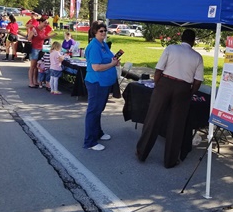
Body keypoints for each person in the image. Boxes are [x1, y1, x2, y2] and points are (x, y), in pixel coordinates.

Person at [136, 29, 204, 168]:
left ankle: (142, 152)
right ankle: (170, 160)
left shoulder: (171, 48)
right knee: (176, 125)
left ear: (182, 38)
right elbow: (197, 81)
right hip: (184, 88)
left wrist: (158, 84)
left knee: (153, 118)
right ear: (193, 41)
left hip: (165, 83)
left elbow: (158, 70)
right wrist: (189, 92)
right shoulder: (197, 57)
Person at [83, 22, 120, 151]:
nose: (104, 33)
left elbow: (108, 59)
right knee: (93, 111)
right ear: (94, 32)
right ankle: (90, 141)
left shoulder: (103, 44)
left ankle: (97, 132)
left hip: (104, 82)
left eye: (105, 31)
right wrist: (112, 64)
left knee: (98, 109)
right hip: (96, 82)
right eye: (101, 31)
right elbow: (96, 67)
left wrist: (114, 61)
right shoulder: (94, 47)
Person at [27, 17, 57, 88]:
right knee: (33, 66)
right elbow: (29, 38)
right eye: (45, 23)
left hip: (41, 49)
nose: (46, 24)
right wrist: (32, 33)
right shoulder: (35, 29)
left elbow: (43, 38)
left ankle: (36, 81)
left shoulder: (43, 30)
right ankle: (31, 82)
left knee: (38, 66)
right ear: (40, 22)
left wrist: (52, 35)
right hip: (35, 49)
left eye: (47, 23)